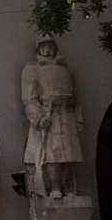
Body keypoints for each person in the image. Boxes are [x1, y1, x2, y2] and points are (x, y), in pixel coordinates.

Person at [21, 36, 84, 198]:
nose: (47, 49)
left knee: (69, 154)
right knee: (51, 154)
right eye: (43, 46)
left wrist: (78, 117)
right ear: (38, 49)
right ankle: (55, 187)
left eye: (50, 45)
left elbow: (75, 94)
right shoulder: (32, 69)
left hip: (66, 113)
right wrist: (39, 117)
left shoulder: (65, 69)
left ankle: (69, 187)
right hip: (49, 113)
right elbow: (29, 97)